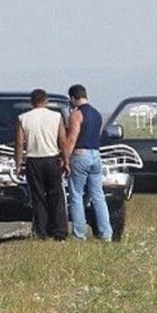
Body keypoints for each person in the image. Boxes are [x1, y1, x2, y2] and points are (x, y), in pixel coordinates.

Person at [14, 89, 68, 241]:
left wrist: (18, 164)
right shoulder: (56, 117)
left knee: (38, 197)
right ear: (46, 101)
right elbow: (62, 140)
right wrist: (66, 160)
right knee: (56, 196)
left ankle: (41, 231)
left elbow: (19, 143)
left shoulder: (23, 118)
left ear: (32, 102)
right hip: (52, 158)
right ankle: (59, 231)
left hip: (33, 159)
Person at [62, 83, 112, 241]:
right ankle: (106, 233)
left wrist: (65, 159)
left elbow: (72, 138)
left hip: (81, 154)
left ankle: (79, 235)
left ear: (72, 98)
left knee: (76, 195)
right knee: (98, 195)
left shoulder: (76, 114)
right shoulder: (97, 114)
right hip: (96, 155)